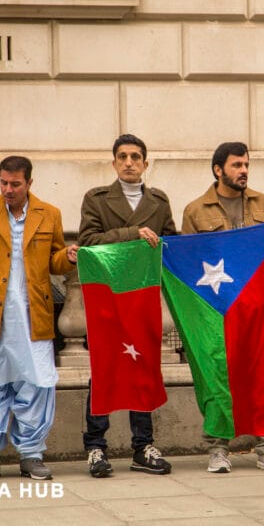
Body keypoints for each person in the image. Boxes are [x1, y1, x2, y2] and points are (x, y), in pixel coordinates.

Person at [0, 156, 78, 482]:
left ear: (29, 183)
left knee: (37, 383)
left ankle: (32, 454)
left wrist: (67, 257)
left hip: (33, 315)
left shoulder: (49, 213)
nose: (8, 189)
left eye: (15, 184)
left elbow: (54, 261)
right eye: (3, 182)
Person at [181, 141, 264, 474]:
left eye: (246, 165)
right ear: (218, 170)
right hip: (217, 310)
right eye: (237, 165)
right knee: (217, 373)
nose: (244, 171)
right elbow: (188, 264)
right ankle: (218, 448)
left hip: (257, 307)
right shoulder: (195, 210)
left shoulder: (263, 203)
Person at [78, 134, 176, 478]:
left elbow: (171, 244)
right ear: (114, 162)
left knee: (142, 368)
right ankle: (95, 446)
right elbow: (88, 241)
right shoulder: (97, 199)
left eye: (136, 157)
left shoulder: (159, 202)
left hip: (142, 297)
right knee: (104, 368)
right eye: (123, 157)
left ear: (145, 164)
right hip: (107, 297)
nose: (129, 162)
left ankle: (142, 446)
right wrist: (134, 233)